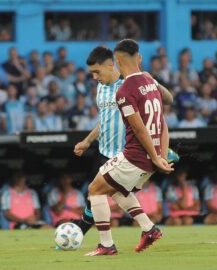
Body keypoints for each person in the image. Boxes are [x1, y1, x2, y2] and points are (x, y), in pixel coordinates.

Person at [73, 46, 175, 238]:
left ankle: (90, 238)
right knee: (109, 194)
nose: (94, 77)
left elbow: (168, 100)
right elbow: (105, 120)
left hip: (127, 153)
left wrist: (152, 82)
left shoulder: (131, 84)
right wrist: (87, 141)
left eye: (97, 71)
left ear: (112, 64)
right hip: (106, 151)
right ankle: (148, 229)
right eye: (92, 73)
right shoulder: (101, 88)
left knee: (97, 193)